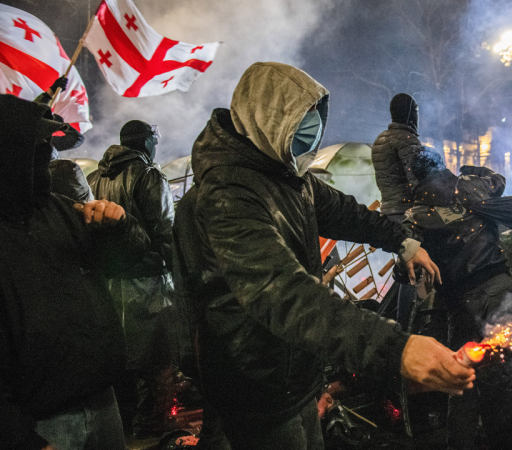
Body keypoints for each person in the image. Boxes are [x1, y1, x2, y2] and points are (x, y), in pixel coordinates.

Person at [174, 61, 475, 450]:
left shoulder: (286, 174)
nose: (311, 134)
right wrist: (395, 348)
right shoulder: (229, 193)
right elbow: (281, 292)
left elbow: (347, 214)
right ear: (267, 120)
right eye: (300, 123)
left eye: (313, 120)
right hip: (255, 387)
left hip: (294, 375)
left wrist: (404, 243)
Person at [0, 95, 149, 450]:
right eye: (38, 147)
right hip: (41, 424)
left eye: (50, 147)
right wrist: (22, 440)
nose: (49, 157)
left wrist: (119, 226)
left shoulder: (62, 210)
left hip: (101, 402)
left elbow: (126, 262)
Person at [397, 150, 512, 450]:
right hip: (499, 289)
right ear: (441, 165)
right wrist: (475, 169)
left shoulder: (414, 215)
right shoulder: (469, 184)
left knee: (461, 384)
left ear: (415, 176)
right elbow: (498, 182)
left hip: (458, 304)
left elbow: (404, 272)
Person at [86, 119, 177, 438]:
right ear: (146, 142)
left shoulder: (94, 178)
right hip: (149, 282)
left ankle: (124, 427)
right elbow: (166, 233)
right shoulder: (150, 176)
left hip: (110, 284)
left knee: (123, 357)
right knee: (159, 356)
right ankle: (155, 428)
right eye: (156, 138)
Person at [372, 93, 424, 328]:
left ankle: (393, 320)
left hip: (389, 211)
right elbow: (420, 181)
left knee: (405, 269)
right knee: (412, 275)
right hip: (408, 214)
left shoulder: (381, 139)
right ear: (410, 112)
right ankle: (404, 328)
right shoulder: (406, 139)